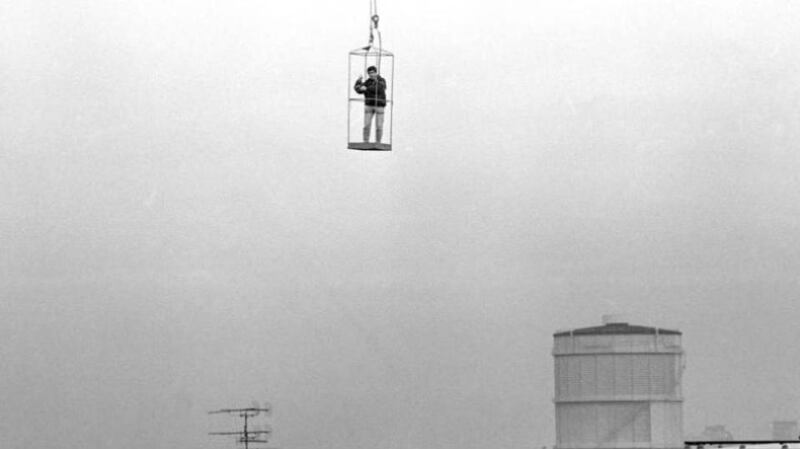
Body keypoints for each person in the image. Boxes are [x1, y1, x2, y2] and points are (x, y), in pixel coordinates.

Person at [354, 66, 387, 143]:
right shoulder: (367, 82)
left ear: (376, 72)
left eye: (372, 72)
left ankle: (378, 142)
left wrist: (366, 89)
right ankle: (365, 141)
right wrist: (358, 81)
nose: (371, 75)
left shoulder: (381, 80)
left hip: (379, 106)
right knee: (366, 125)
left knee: (379, 126)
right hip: (369, 105)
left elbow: (379, 88)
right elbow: (358, 89)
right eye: (369, 73)